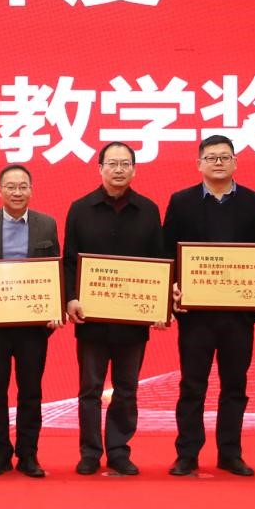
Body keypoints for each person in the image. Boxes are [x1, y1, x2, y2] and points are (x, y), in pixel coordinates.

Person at [163, 135, 255, 477]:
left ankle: (230, 453)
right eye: (211, 157)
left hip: (238, 314)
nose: (218, 162)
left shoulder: (254, 202)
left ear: (235, 162)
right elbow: (166, 250)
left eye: (225, 157)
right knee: (192, 386)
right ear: (198, 164)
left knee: (235, 385)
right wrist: (171, 286)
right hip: (195, 315)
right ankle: (187, 454)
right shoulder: (181, 201)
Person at [63, 142, 163, 476]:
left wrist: (160, 304)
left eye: (125, 164)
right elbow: (70, 260)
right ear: (100, 168)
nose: (118, 170)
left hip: (133, 319)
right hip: (91, 318)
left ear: (134, 169)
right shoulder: (80, 209)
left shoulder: (148, 210)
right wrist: (70, 298)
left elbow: (159, 262)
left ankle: (119, 450)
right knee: (90, 389)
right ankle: (90, 452)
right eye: (112, 163)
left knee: (127, 389)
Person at [0, 164, 60, 478]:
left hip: (32, 326)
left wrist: (55, 309)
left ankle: (28, 454)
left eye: (23, 186)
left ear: (31, 190)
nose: (17, 192)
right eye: (10, 186)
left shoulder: (46, 224)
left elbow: (54, 270)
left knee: (31, 391)